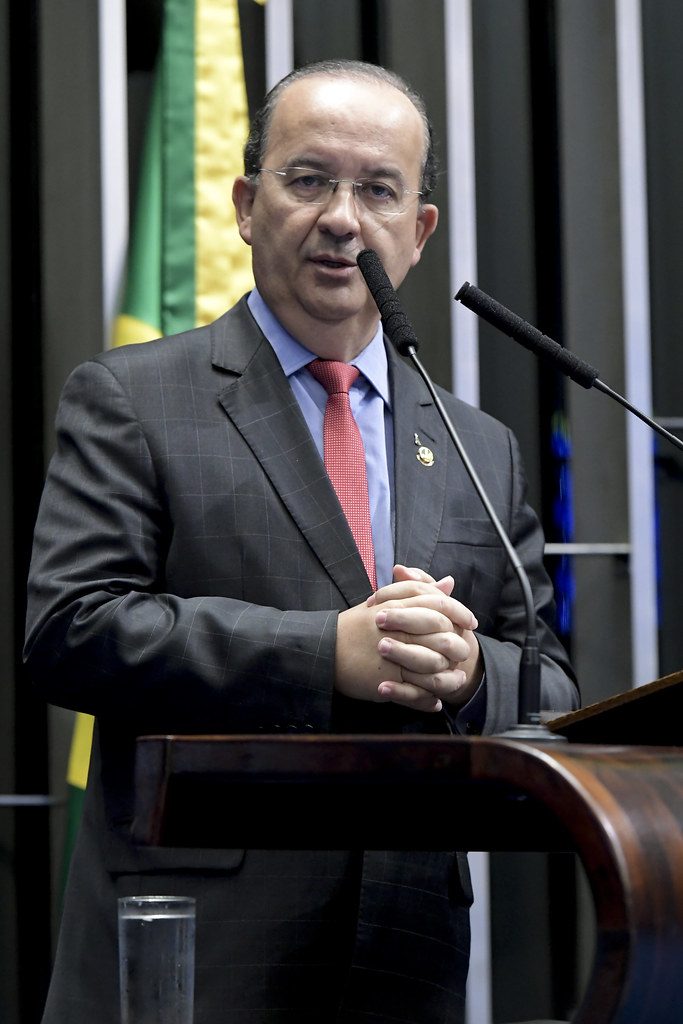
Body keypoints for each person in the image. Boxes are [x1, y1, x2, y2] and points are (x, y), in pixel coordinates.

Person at [24, 59, 578, 1024]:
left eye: (377, 190)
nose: (340, 218)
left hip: (405, 952)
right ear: (245, 204)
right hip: (196, 939)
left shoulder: (474, 443)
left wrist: (464, 672)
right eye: (308, 179)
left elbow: (551, 679)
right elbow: (72, 629)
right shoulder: (131, 397)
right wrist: (328, 653)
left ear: (419, 231)